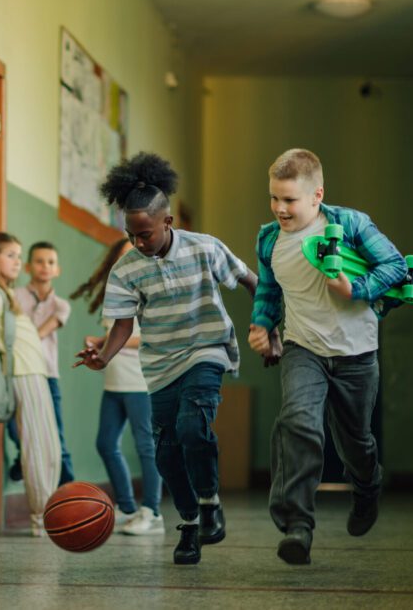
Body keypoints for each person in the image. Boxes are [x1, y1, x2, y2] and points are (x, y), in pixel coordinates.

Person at [247, 148, 413, 565]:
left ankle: (368, 487)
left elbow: (394, 266)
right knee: (297, 421)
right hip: (304, 348)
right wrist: (262, 325)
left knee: (355, 443)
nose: (280, 208)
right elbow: (269, 289)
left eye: (290, 200)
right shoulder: (268, 239)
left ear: (317, 195)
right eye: (274, 198)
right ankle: (297, 525)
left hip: (356, 354)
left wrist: (357, 289)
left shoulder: (350, 224)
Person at [74, 152, 262, 565]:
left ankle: (210, 501)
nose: (139, 243)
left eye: (145, 234)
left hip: (206, 350)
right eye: (131, 235)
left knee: (193, 426)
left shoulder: (205, 248)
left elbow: (251, 280)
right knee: (166, 452)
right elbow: (122, 324)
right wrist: (104, 357)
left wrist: (269, 325)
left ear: (168, 222)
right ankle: (190, 524)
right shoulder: (126, 269)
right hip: (159, 365)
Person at [0, 232, 62, 537]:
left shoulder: (6, 294)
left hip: (37, 373)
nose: (16, 261)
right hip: (23, 374)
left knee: (49, 448)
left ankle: (49, 511)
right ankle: (41, 519)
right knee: (36, 448)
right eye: (10, 254)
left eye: (18, 256)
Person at [71, 238, 164, 536]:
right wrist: (98, 343)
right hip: (114, 382)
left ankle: (151, 511)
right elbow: (114, 334)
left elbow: (150, 336)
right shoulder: (115, 294)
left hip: (139, 381)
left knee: (146, 446)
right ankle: (127, 509)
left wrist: (111, 341)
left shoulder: (151, 292)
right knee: (105, 443)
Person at [6, 241, 75, 486]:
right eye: (39, 261)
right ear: (27, 267)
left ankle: (69, 492)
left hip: (47, 375)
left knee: (55, 435)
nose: (45, 266)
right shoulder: (14, 297)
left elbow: (38, 334)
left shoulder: (61, 306)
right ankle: (23, 458)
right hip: (20, 373)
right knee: (15, 426)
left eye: (51, 262)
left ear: (57, 270)